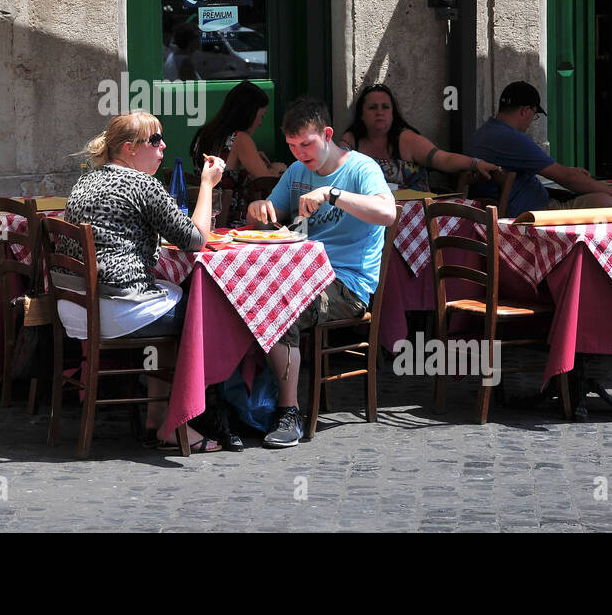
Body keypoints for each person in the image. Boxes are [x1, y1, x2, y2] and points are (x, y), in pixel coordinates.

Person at [60, 112, 233, 451]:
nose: (163, 146)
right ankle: (187, 419)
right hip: (116, 308)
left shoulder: (85, 181)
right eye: (155, 141)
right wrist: (209, 184)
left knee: (177, 302)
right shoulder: (143, 185)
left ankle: (159, 418)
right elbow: (196, 239)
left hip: (75, 305)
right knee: (205, 311)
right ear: (128, 148)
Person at [245, 97, 396, 448]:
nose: (300, 153)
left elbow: (387, 213)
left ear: (327, 135)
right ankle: (242, 403)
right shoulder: (298, 170)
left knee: (280, 309)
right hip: (298, 274)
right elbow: (274, 213)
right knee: (240, 296)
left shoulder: (361, 169)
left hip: (347, 283)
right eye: (292, 146)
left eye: (306, 144)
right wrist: (260, 209)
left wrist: (333, 193)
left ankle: (289, 411)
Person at [470, 81, 612, 217]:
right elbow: (568, 179)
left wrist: (569, 171)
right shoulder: (511, 138)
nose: (531, 121)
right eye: (534, 115)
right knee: (607, 201)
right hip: (534, 213)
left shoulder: (484, 132)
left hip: (517, 207)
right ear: (525, 110)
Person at [339, 82, 500, 188]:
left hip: (415, 219)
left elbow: (444, 159)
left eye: (385, 107)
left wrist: (475, 163)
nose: (380, 112)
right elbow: (337, 165)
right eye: (373, 107)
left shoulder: (407, 140)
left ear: (393, 113)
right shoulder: (353, 140)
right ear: (362, 114)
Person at [189, 81, 287, 225]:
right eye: (261, 116)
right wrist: (277, 168)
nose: (260, 122)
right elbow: (265, 180)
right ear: (250, 114)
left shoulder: (203, 134)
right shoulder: (240, 139)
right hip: (234, 222)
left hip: (205, 218)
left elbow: (227, 164)